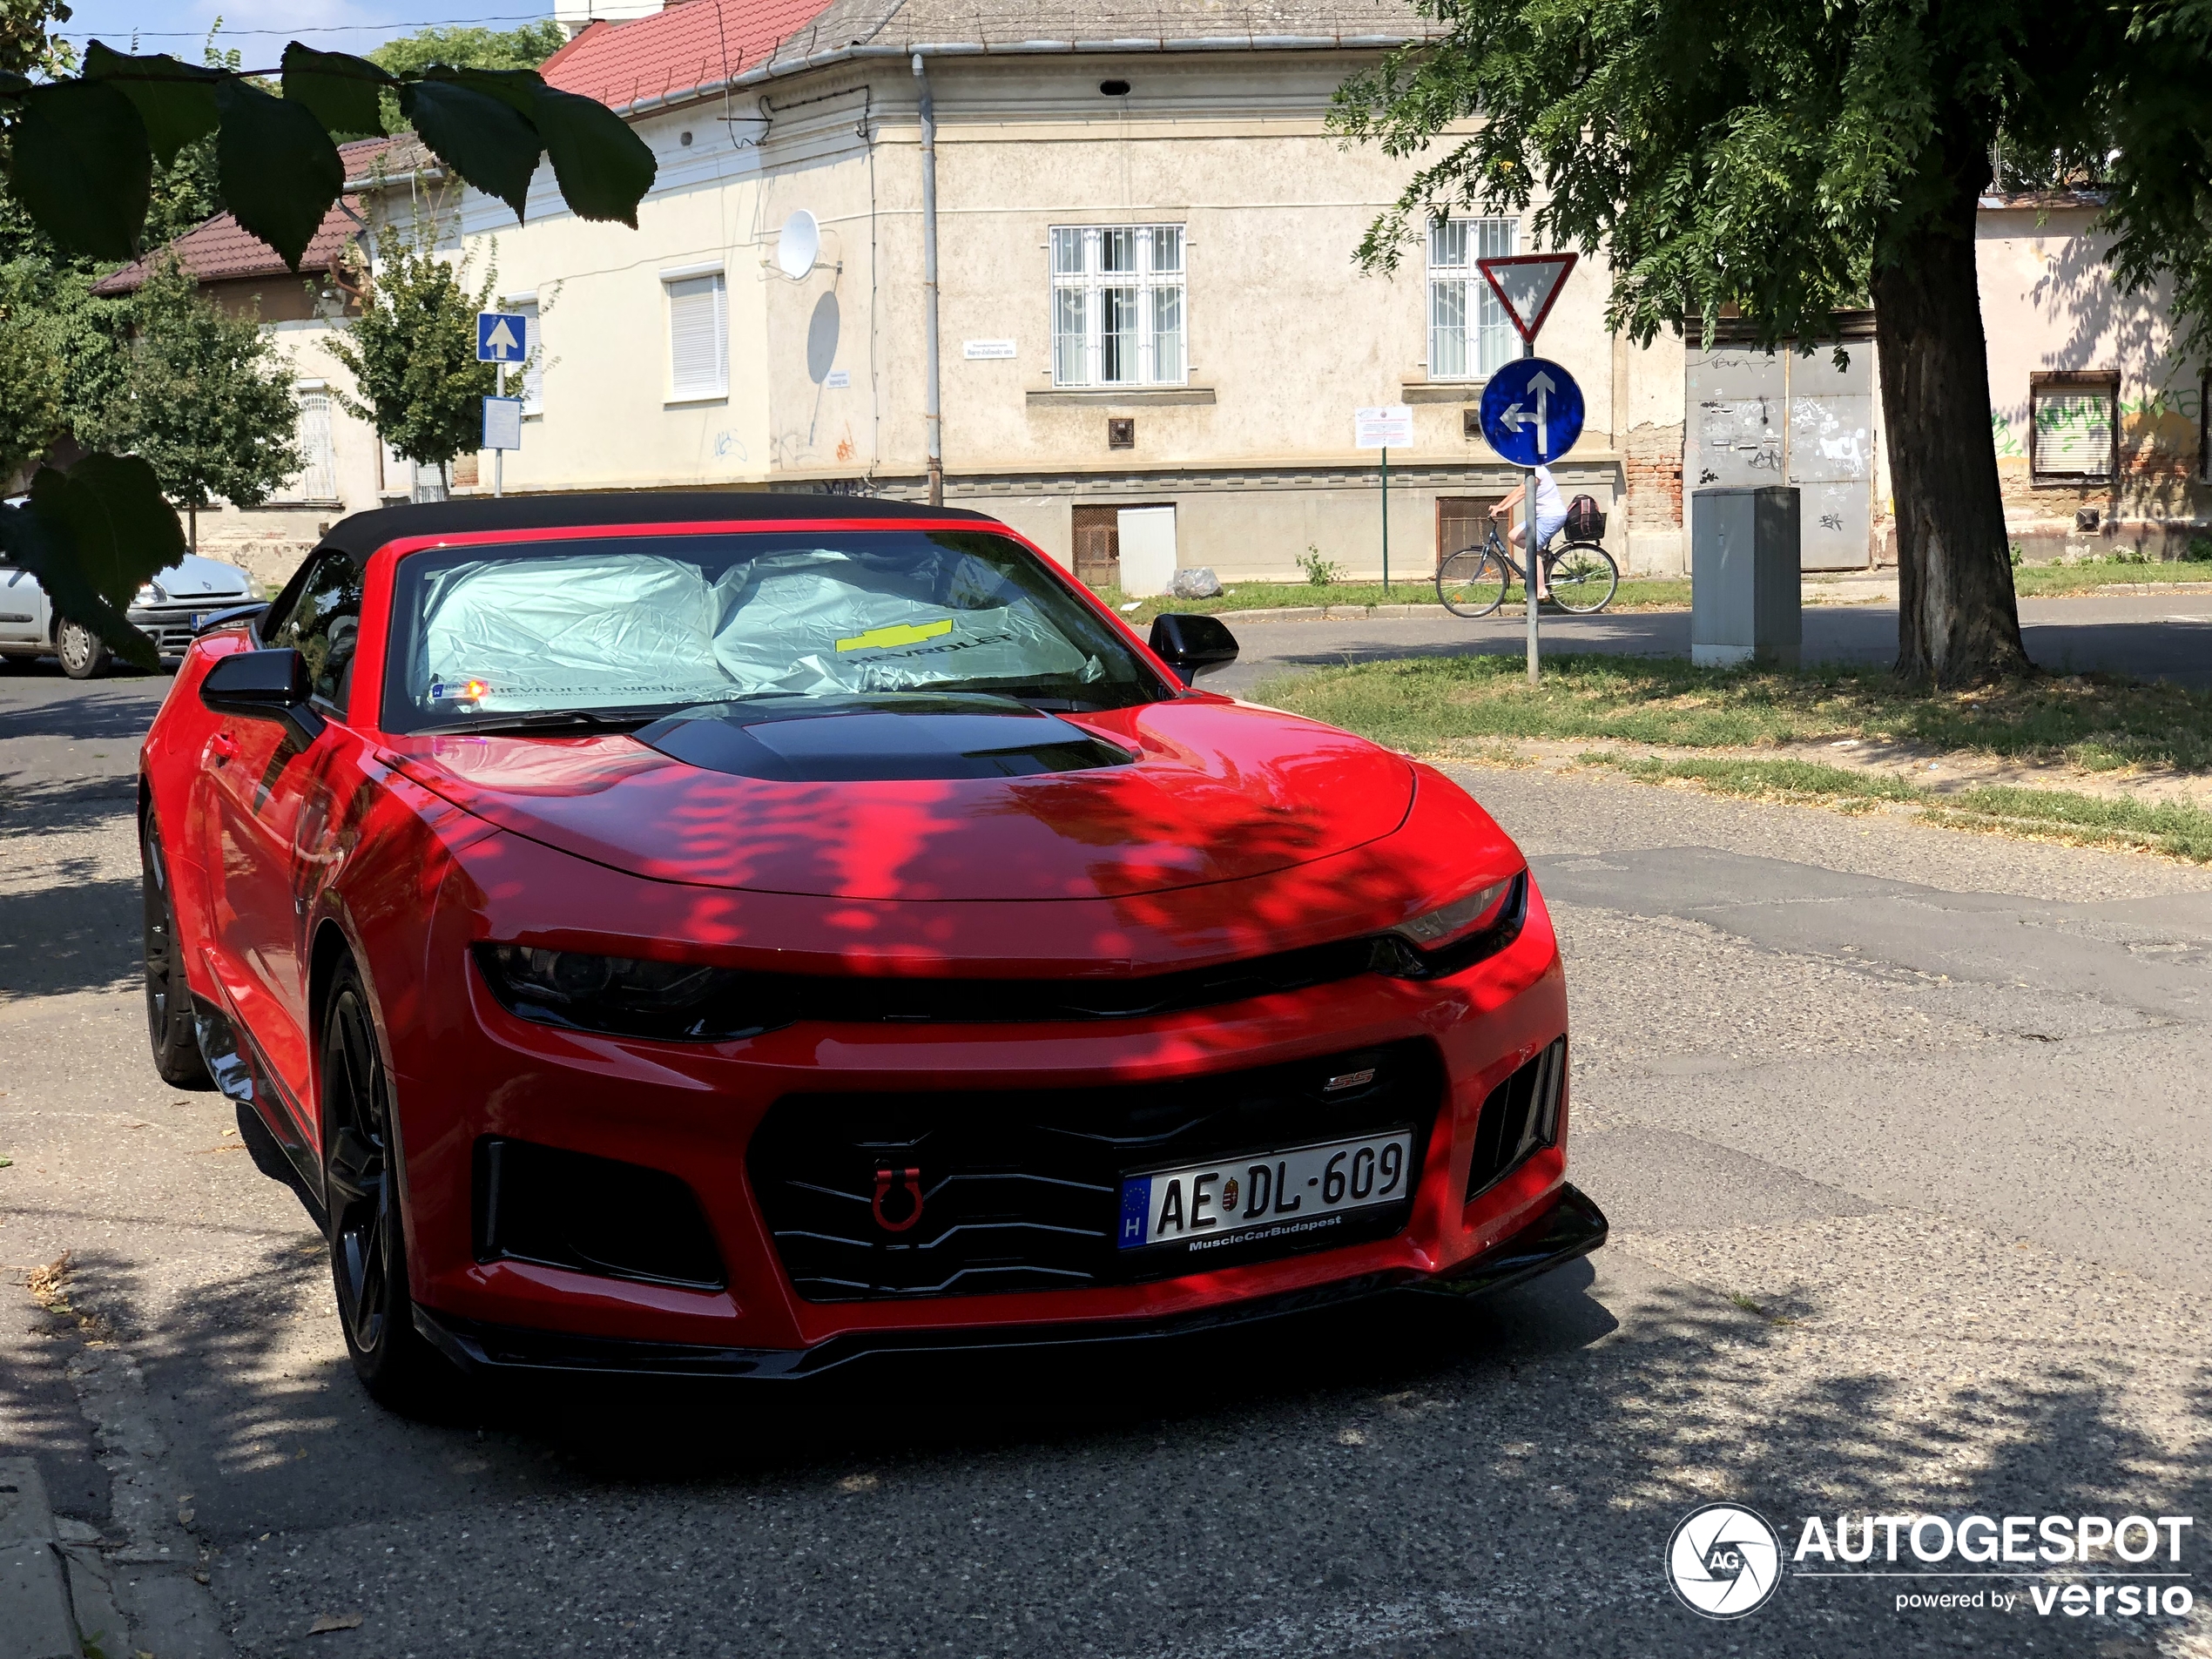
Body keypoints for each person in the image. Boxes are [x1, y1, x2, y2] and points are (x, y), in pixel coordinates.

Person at [1489, 465, 1568, 600]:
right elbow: (1517, 491)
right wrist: (1499, 506)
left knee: (1530, 550)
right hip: (1539, 517)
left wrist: (1505, 509)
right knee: (1513, 536)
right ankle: (1544, 557)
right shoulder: (1532, 471)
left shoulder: (1539, 471)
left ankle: (1542, 591)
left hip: (1551, 516)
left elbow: (1524, 492)